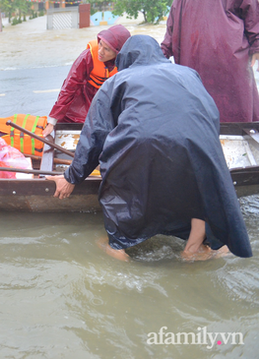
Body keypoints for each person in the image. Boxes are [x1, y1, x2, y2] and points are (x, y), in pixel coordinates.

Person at [47, 35, 252, 262]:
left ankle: (118, 247)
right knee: (197, 192)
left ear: (126, 59)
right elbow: (209, 114)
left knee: (118, 178)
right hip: (197, 146)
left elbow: (94, 136)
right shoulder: (188, 73)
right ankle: (193, 249)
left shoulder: (116, 81)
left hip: (141, 146)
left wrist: (71, 177)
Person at [161, 0, 259, 123]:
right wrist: (158, 56)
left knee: (234, 118)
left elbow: (254, 17)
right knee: (197, 117)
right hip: (192, 69)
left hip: (231, 68)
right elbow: (170, 33)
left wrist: (257, 47)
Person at [43, 25, 131, 137]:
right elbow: (69, 88)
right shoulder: (87, 56)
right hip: (82, 100)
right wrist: (52, 121)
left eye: (107, 49)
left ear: (118, 53)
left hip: (107, 101)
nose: (100, 51)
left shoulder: (126, 63)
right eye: (100, 44)